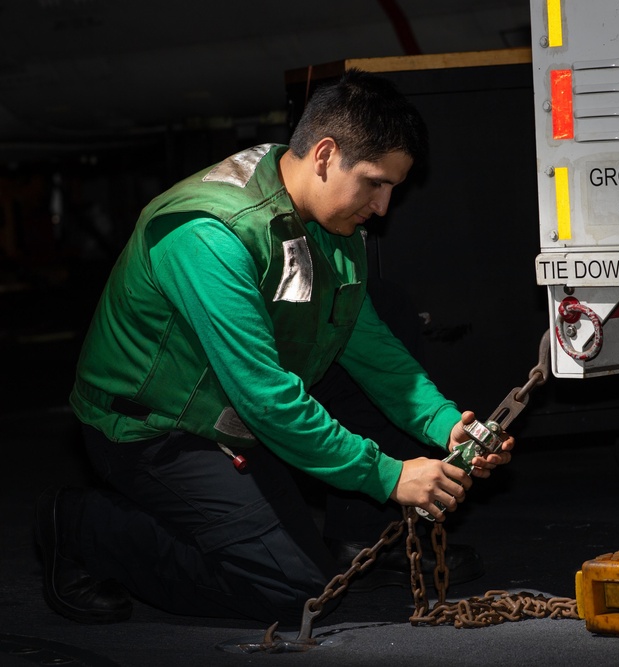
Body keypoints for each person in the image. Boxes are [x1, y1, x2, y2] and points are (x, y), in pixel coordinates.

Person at [36, 68, 513, 625]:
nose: (383, 208)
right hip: (158, 430)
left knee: (392, 312)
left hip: (237, 403)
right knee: (295, 595)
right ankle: (80, 526)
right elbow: (267, 398)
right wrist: (390, 476)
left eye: (393, 189)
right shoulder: (208, 234)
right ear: (325, 155)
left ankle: (355, 537)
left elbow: (360, 336)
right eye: (375, 183)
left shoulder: (319, 207)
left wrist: (445, 424)